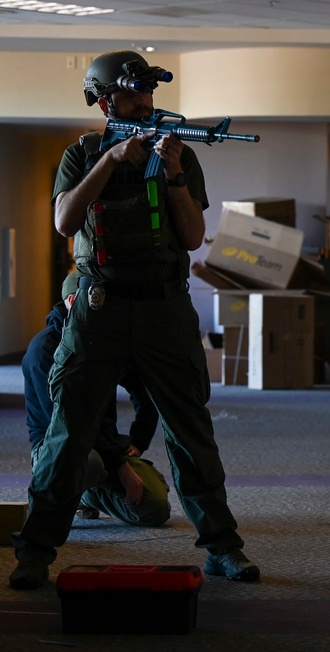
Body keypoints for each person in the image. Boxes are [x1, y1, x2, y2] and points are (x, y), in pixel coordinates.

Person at [9, 50, 258, 589]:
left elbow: (192, 237)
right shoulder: (81, 154)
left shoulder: (179, 157)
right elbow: (64, 221)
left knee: (191, 431)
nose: (144, 103)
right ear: (104, 101)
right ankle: (35, 551)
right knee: (68, 431)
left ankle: (221, 545)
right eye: (131, 94)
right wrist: (111, 160)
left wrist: (172, 175)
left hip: (164, 308)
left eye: (148, 93)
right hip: (98, 309)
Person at [22, 271, 170, 527]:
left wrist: (139, 436)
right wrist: (120, 465)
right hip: (56, 444)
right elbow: (69, 425)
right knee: (86, 462)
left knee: (155, 509)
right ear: (72, 302)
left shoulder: (102, 340)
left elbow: (144, 387)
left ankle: (89, 490)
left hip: (103, 445)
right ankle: (61, 491)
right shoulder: (44, 352)